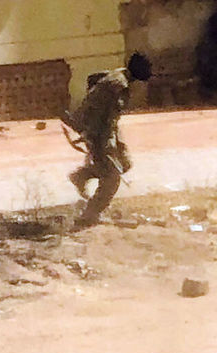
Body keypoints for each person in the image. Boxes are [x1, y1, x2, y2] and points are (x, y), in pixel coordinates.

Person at [62, 52, 152, 227]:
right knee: (112, 178)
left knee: (124, 163)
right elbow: (102, 118)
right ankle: (90, 215)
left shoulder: (118, 76)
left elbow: (94, 84)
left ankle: (81, 175)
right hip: (97, 132)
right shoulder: (119, 86)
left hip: (104, 128)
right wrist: (97, 141)